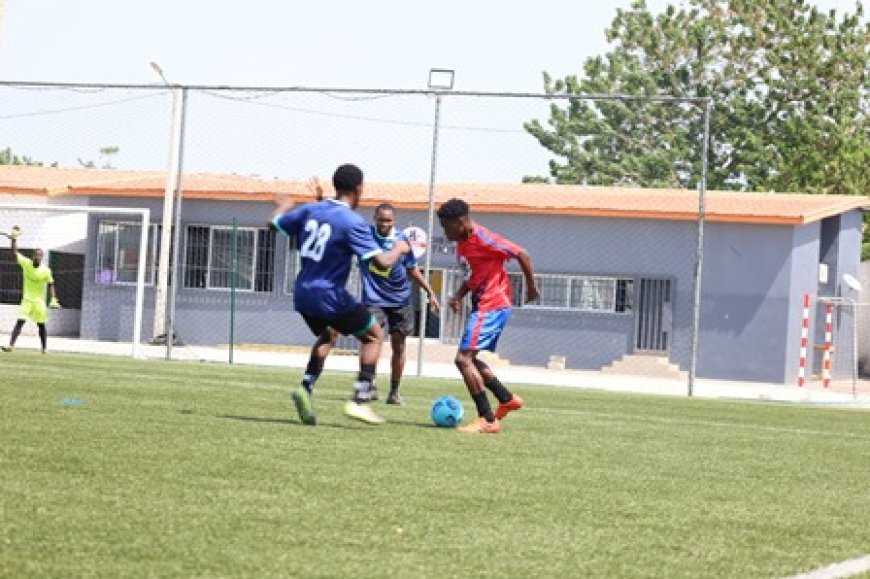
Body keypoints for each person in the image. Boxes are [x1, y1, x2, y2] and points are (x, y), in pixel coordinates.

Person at [270, 164, 412, 426]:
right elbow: (381, 262)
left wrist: (285, 205)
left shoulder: (311, 210)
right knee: (374, 336)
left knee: (328, 334)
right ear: (359, 188)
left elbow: (273, 224)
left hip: (302, 294)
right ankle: (359, 400)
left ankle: (305, 387)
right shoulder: (352, 221)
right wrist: (400, 249)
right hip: (329, 294)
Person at [437, 198, 539, 434]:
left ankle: (488, 419)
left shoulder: (483, 237)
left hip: (491, 305)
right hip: (485, 304)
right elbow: (477, 275)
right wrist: (459, 295)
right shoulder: (463, 243)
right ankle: (506, 399)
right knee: (470, 359)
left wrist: (531, 287)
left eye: (447, 226)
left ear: (461, 222)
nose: (445, 232)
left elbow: (521, 253)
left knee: (462, 360)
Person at [360, 203, 440, 405]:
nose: (384, 223)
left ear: (394, 221)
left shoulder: (402, 241)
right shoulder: (365, 237)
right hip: (373, 299)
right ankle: (369, 385)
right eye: (381, 219)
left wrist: (430, 292)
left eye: (388, 220)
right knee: (371, 340)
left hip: (399, 300)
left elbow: (412, 270)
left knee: (399, 345)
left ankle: (394, 392)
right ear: (374, 218)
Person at [1, 226, 61, 354]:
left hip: (39, 302)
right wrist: (14, 240)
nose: (38, 257)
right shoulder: (26, 263)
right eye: (36, 255)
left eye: (40, 256)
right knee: (20, 322)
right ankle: (10, 345)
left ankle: (44, 348)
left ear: (42, 257)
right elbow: (14, 252)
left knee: (41, 325)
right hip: (27, 300)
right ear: (33, 256)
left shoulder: (46, 270)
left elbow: (51, 284)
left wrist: (54, 298)